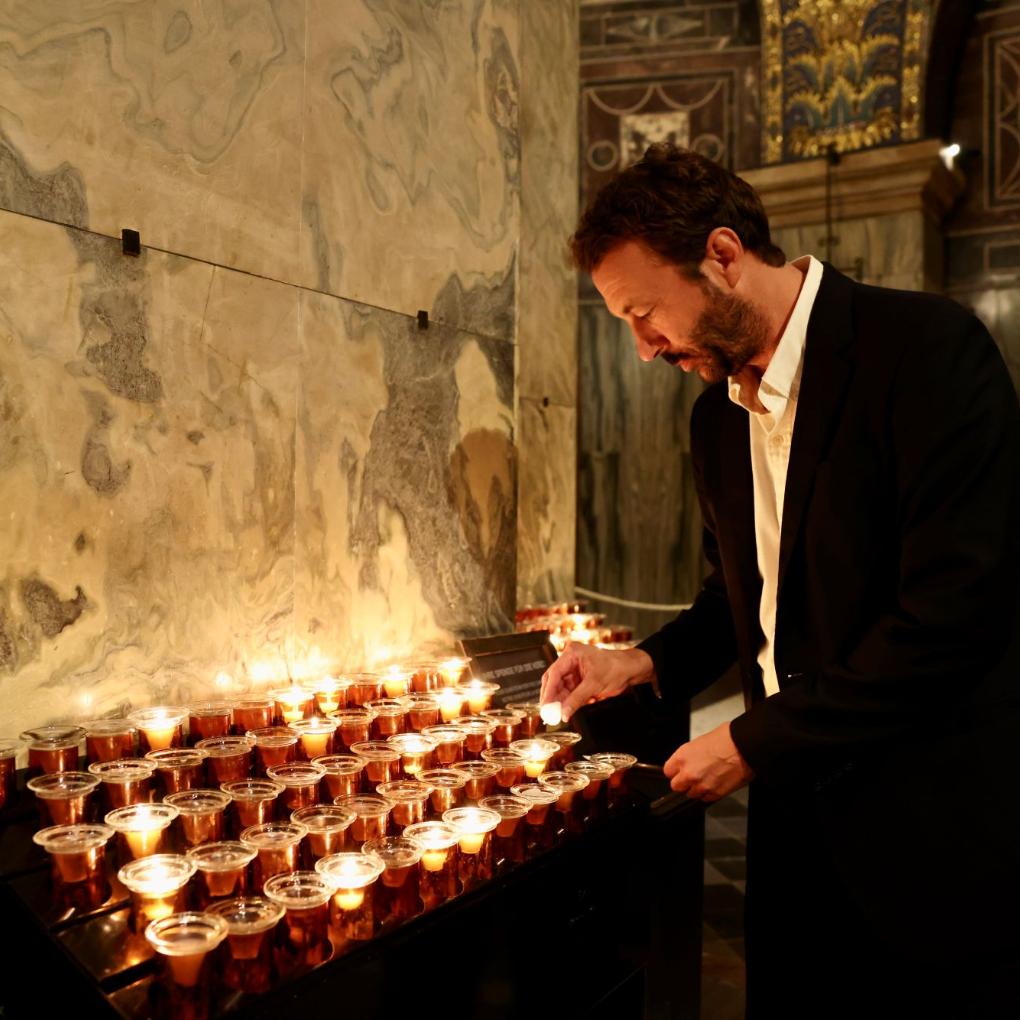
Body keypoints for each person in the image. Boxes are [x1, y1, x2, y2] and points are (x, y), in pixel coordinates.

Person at [540, 144, 1020, 1018]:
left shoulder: (923, 350)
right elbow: (737, 599)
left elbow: (952, 617)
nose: (644, 350)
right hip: (798, 825)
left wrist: (754, 742)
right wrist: (642, 666)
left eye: (645, 313)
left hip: (932, 828)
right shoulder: (714, 417)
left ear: (722, 256)